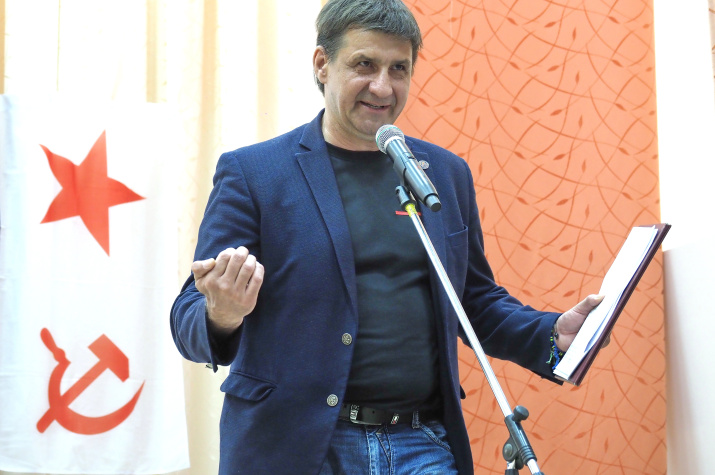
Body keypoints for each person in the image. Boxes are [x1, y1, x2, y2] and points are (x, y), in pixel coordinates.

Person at [170, 0, 604, 473]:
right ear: (322, 64)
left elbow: (472, 301)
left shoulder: (443, 174)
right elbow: (188, 315)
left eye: (399, 69)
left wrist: (551, 334)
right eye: (364, 64)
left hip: (421, 442)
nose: (383, 86)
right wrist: (222, 313)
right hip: (297, 445)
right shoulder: (254, 173)